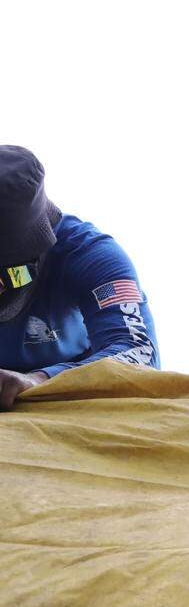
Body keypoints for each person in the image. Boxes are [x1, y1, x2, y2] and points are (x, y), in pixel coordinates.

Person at [0, 145, 159, 410]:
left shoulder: (93, 257)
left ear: (40, 247)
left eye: (5, 279)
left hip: (73, 397)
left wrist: (40, 380)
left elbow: (140, 353)